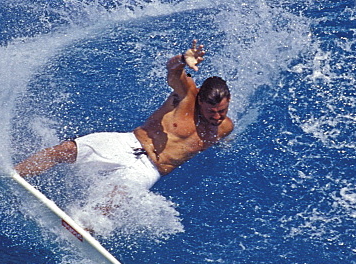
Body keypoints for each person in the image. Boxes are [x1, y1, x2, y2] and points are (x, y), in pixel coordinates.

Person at [14, 40, 233, 191]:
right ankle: (14, 174)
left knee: (116, 198)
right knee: (65, 150)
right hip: (129, 143)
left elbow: (218, 137)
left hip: (149, 169)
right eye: (211, 111)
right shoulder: (186, 95)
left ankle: (83, 231)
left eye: (221, 111)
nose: (216, 116)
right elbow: (172, 71)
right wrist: (182, 60)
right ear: (200, 101)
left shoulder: (225, 128)